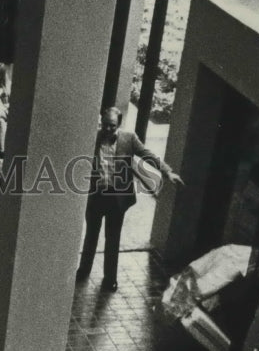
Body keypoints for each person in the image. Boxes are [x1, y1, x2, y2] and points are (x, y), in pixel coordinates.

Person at [76, 106, 184, 292]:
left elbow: (148, 155)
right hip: (96, 196)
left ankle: (110, 279)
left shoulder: (129, 138)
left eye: (112, 126)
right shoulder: (92, 136)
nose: (107, 129)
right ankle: (83, 270)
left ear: (119, 124)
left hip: (116, 199)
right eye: (105, 125)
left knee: (113, 238)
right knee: (91, 236)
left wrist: (167, 172)